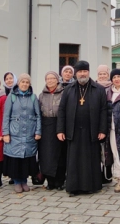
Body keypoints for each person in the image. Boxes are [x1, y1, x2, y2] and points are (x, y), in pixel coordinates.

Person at [57, 60, 107, 196]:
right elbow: (61, 110)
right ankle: (74, 187)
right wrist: (60, 130)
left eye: (85, 71)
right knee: (74, 160)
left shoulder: (99, 89)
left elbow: (104, 111)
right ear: (76, 74)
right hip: (73, 130)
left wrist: (103, 130)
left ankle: (90, 186)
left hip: (92, 130)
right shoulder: (68, 89)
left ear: (88, 72)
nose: (82, 74)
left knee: (90, 159)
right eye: (80, 71)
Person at [2, 73, 42, 193]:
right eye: (22, 82)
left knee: (26, 158)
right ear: (18, 83)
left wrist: (38, 131)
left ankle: (24, 181)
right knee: (16, 159)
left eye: (27, 82)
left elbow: (38, 115)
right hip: (15, 133)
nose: (24, 84)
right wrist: (5, 133)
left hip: (29, 132)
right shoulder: (12, 97)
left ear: (29, 84)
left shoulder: (33, 97)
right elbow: (6, 116)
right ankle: (17, 182)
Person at [38, 71, 66, 190]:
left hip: (59, 124)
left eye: (52, 78)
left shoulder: (64, 93)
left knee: (59, 155)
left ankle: (59, 181)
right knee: (47, 155)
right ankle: (50, 181)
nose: (50, 81)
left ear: (57, 80)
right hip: (46, 125)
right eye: (48, 78)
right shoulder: (42, 95)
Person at [96, 64, 113, 183]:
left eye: (105, 74)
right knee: (98, 148)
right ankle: (98, 172)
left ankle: (108, 172)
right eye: (100, 74)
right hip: (97, 121)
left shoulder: (112, 87)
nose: (102, 76)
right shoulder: (94, 86)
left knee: (109, 148)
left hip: (110, 121)